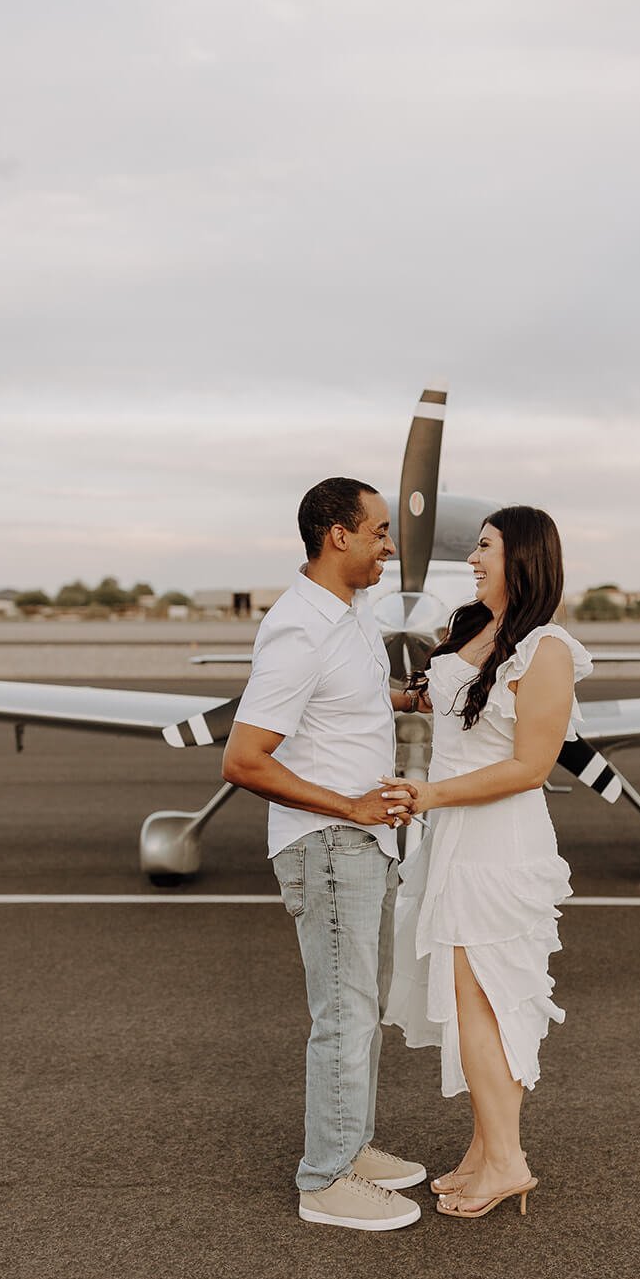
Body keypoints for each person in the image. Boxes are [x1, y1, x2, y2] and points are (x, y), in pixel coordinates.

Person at [222, 477, 427, 1231]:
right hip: (331, 842)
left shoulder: (350, 612)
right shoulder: (298, 629)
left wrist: (410, 700)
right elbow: (245, 760)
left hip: (363, 843)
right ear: (337, 535)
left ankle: (351, 1142)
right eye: (378, 531)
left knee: (360, 1009)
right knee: (342, 1015)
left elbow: (343, 705)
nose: (388, 545)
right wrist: (348, 806)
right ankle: (326, 1180)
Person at [382, 505, 592, 1220]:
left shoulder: (548, 650)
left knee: (488, 1005)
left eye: (485, 548)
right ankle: (482, 1149)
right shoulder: (471, 629)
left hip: (499, 845)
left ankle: (507, 1161)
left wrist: (431, 792)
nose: (472, 559)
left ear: (523, 559)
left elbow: (531, 767)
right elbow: (424, 702)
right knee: (469, 1004)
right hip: (454, 841)